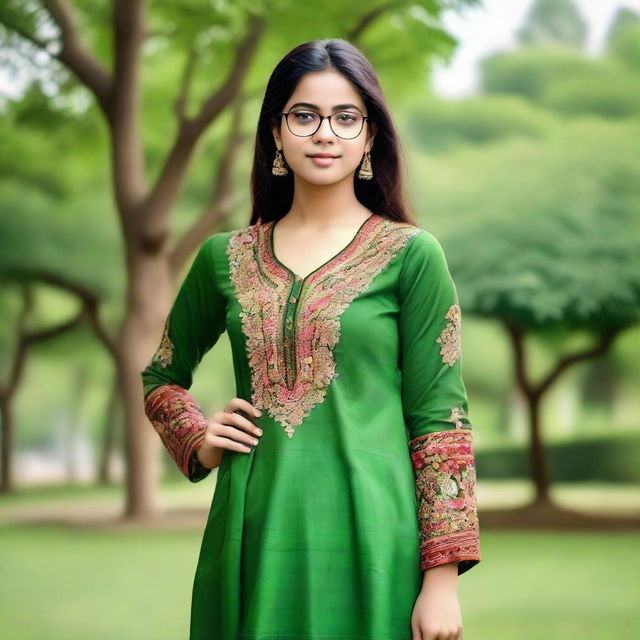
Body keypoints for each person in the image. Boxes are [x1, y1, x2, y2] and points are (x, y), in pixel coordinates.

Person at [141, 38, 481, 640]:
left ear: (370, 136)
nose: (325, 133)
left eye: (346, 117)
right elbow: (161, 376)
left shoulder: (412, 256)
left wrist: (442, 582)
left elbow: (440, 419)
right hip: (253, 527)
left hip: (375, 533)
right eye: (305, 115)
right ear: (276, 131)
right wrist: (199, 438)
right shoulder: (225, 257)